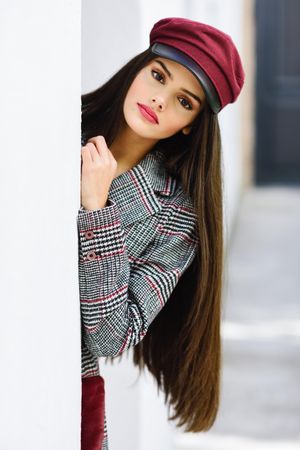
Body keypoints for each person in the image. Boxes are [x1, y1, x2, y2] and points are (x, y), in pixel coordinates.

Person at [78, 17, 245, 450]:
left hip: (65, 391)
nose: (159, 100)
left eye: (183, 101)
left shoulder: (176, 218)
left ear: (191, 122)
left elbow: (109, 336)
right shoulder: (58, 127)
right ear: (140, 68)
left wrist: (99, 211)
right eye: (158, 75)